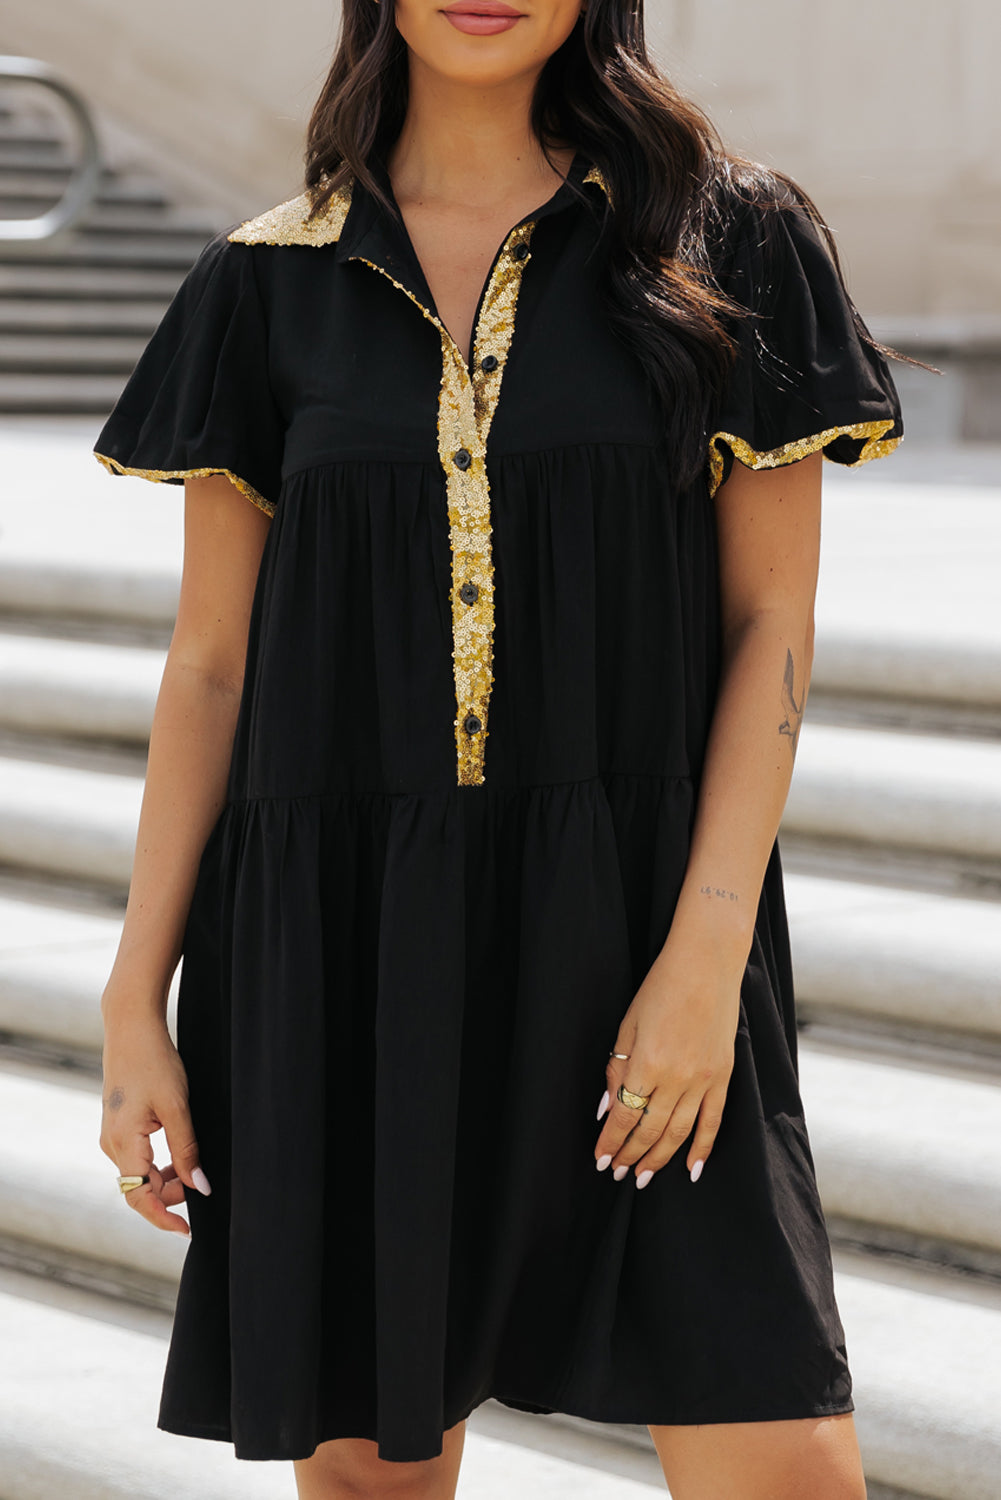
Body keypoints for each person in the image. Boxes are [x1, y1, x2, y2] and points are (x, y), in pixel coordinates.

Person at [94, 1, 905, 1496]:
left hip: (646, 926)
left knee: (781, 1451)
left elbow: (766, 630)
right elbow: (211, 670)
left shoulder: (730, 243)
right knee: (371, 1468)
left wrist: (704, 958)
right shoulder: (265, 283)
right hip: (343, 947)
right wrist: (135, 997)